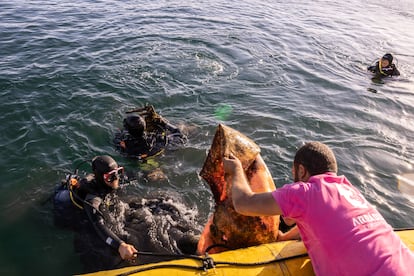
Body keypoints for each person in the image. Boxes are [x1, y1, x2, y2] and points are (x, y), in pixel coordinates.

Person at [223, 142, 414, 275]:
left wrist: (237, 170)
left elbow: (243, 204)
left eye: (294, 173)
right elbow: (327, 220)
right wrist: (283, 238)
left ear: (301, 171)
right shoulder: (349, 190)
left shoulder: (305, 192)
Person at [68, 155, 138, 261]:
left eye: (118, 172)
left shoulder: (111, 179)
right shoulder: (92, 199)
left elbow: (131, 175)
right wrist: (120, 245)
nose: (116, 178)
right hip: (85, 220)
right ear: (101, 178)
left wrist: (148, 173)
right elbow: (98, 224)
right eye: (111, 176)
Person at [114, 105, 187, 160]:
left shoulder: (124, 144)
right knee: (182, 126)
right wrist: (163, 123)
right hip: (160, 154)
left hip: (143, 160)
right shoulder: (156, 138)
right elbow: (180, 135)